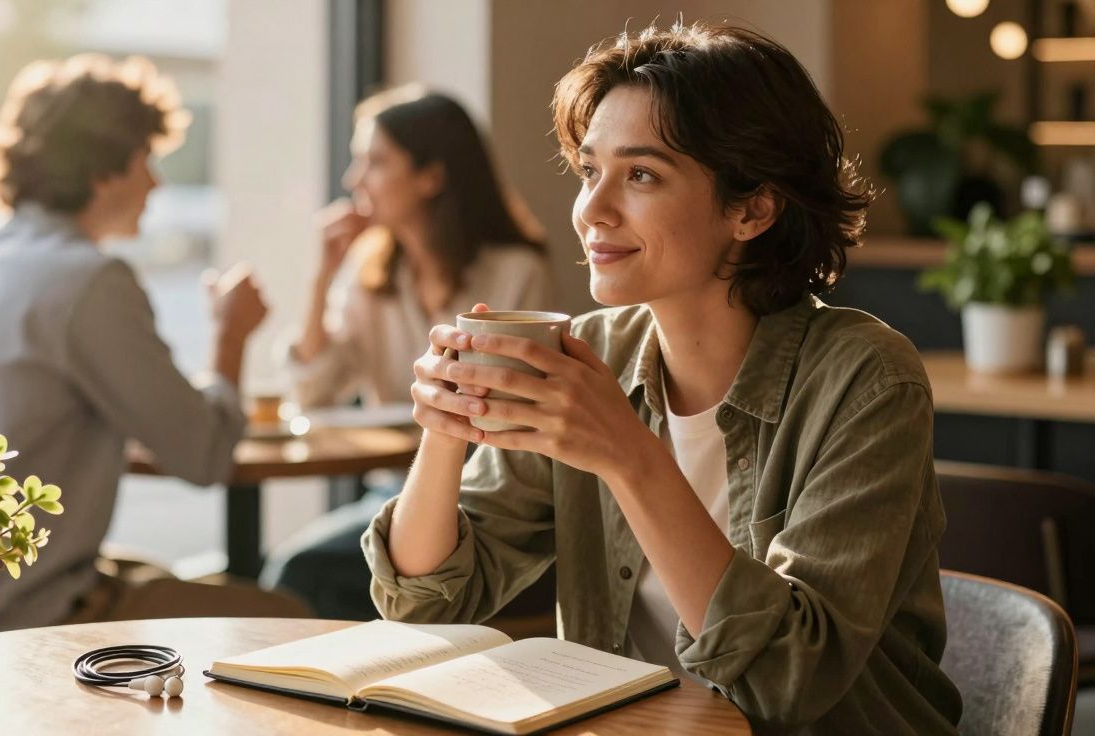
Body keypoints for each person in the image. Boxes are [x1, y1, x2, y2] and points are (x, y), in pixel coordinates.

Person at [364, 22, 963, 734]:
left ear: (753, 209)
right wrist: (445, 430)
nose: (592, 210)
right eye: (590, 171)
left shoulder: (866, 381)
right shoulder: (593, 354)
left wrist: (628, 454)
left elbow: (788, 678)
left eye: (641, 175)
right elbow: (423, 603)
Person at [0, 54, 294, 630]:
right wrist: (230, 336)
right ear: (103, 168)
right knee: (287, 617)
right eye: (144, 161)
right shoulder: (87, 281)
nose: (156, 182)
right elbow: (204, 455)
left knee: (166, 577)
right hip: (26, 613)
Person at [258, 88, 554, 619]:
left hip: (488, 497)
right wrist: (321, 275)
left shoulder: (516, 273)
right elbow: (312, 393)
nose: (354, 181)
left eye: (374, 162)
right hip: (400, 492)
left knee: (303, 573)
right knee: (296, 571)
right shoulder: (371, 276)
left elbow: (520, 416)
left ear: (430, 177)